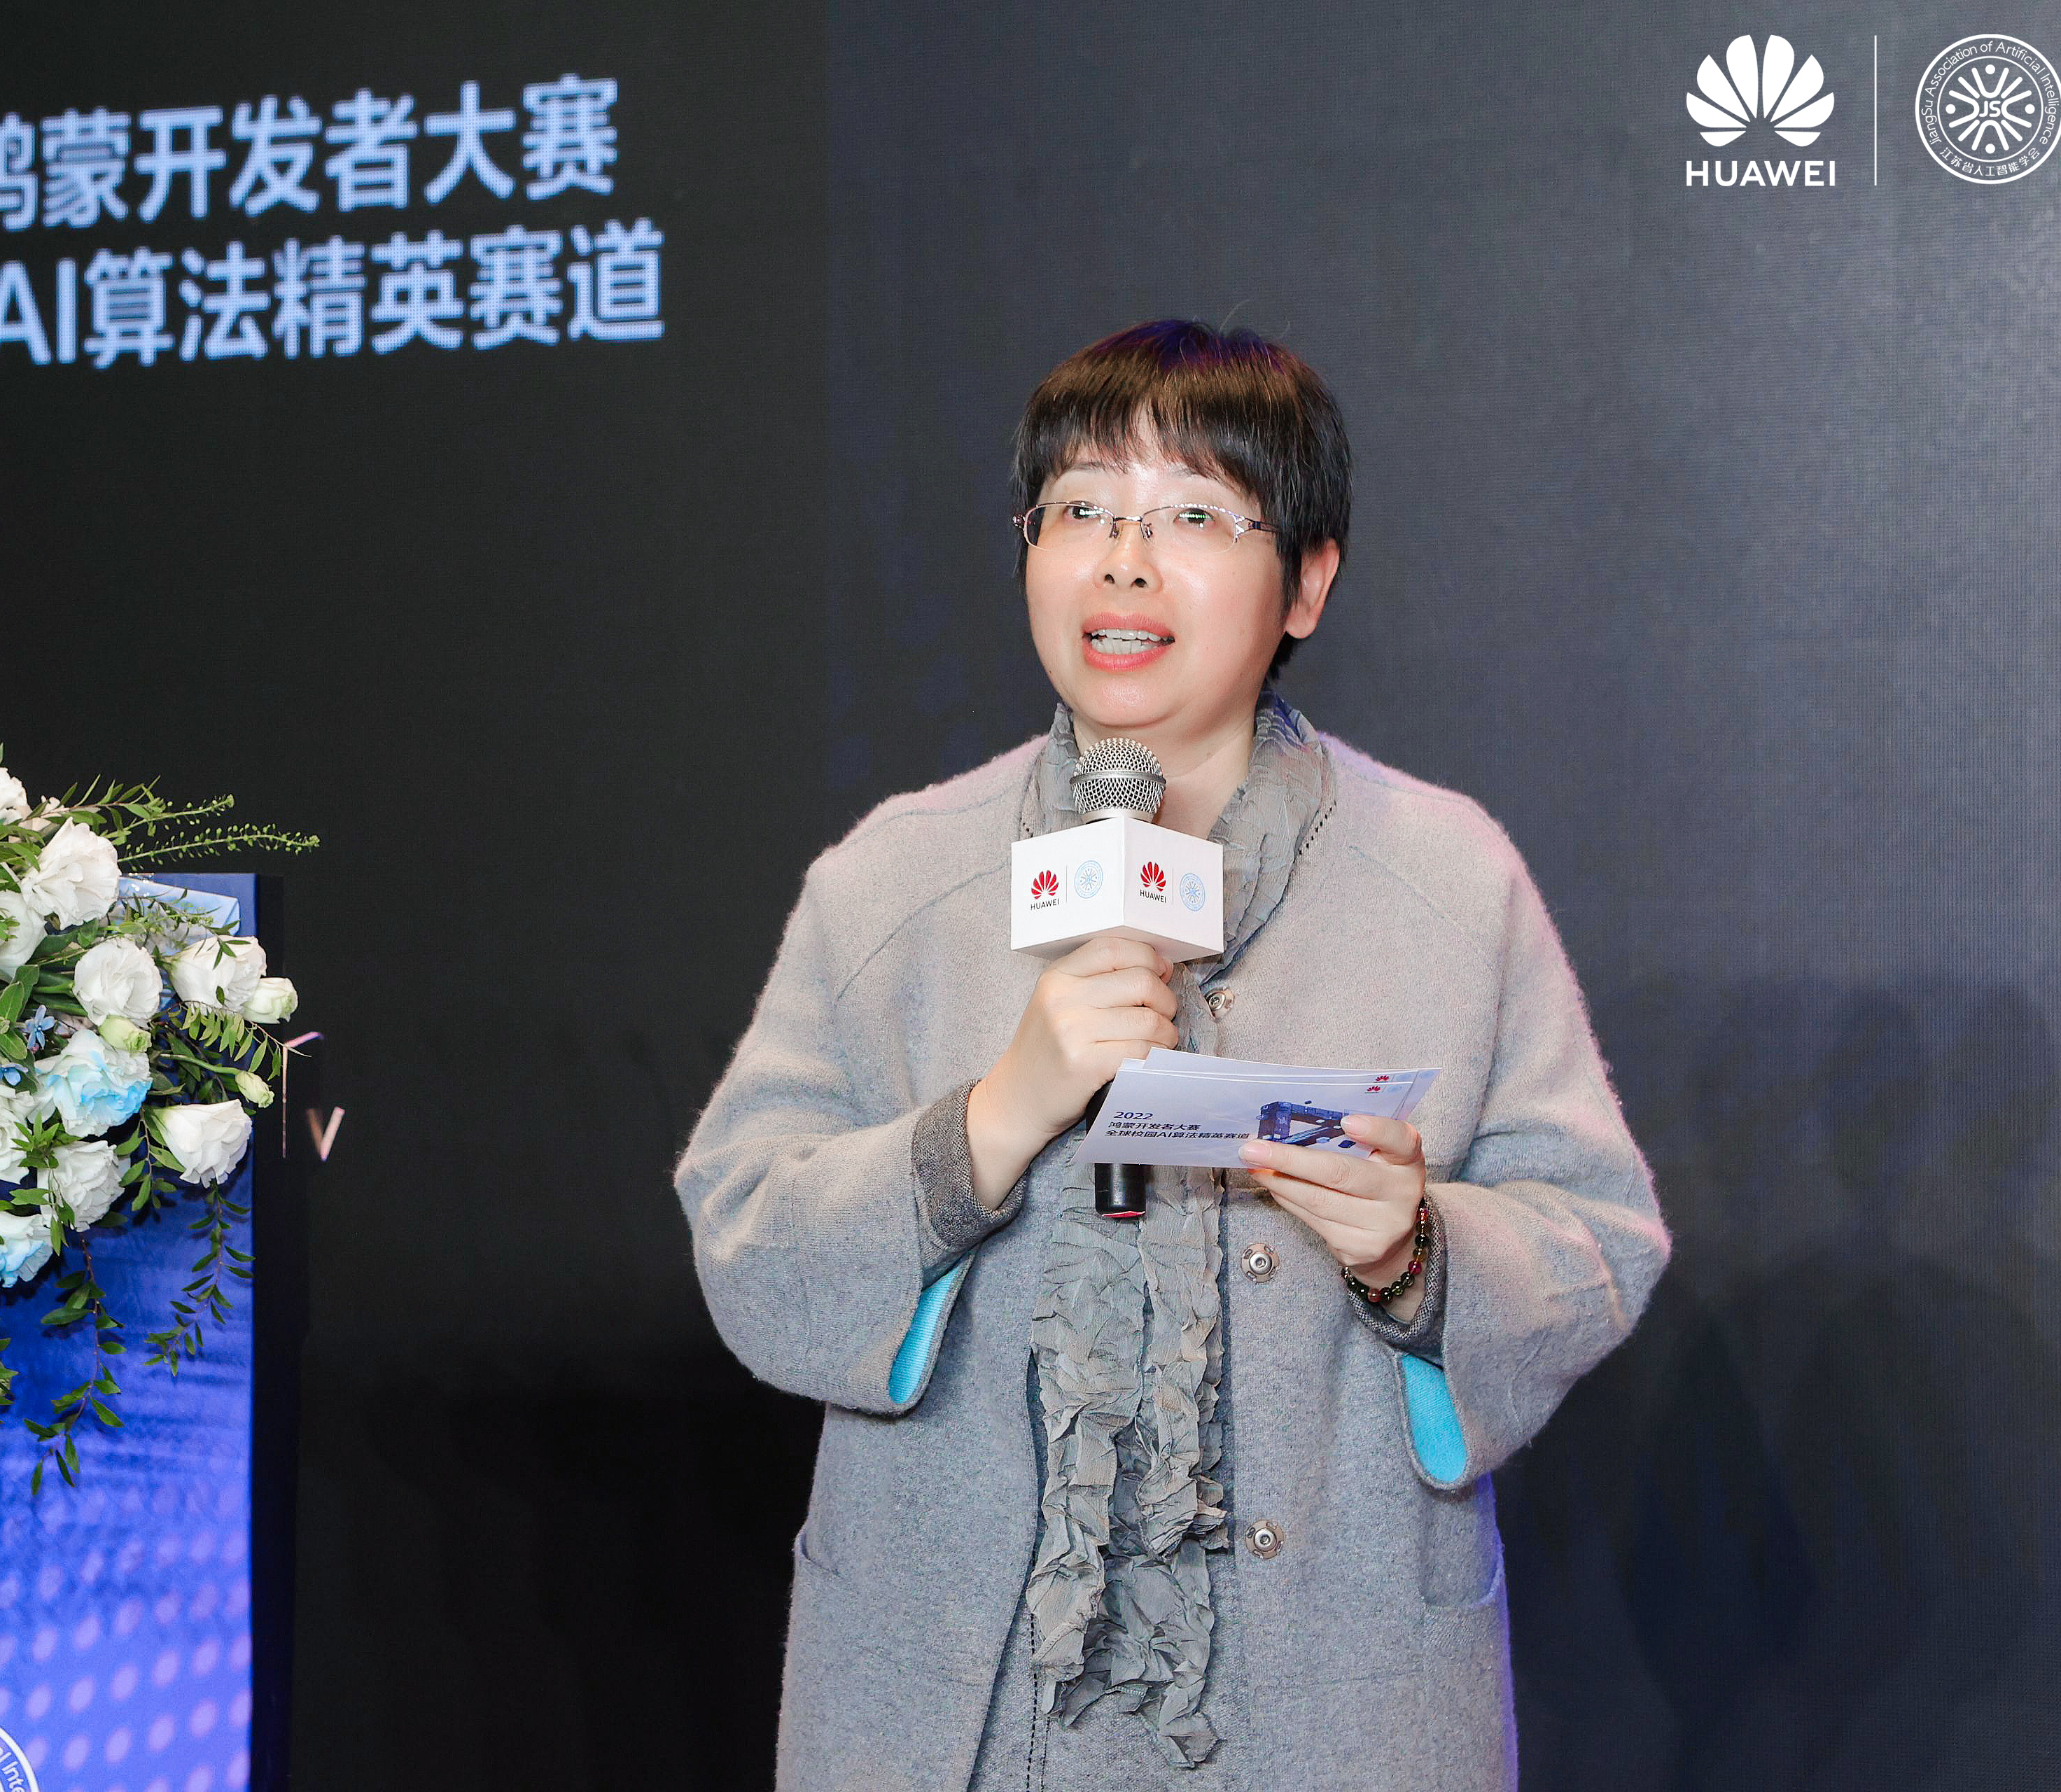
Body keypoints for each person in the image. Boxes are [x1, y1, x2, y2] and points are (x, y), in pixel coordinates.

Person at [676, 320, 1670, 1790]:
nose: (1123, 564)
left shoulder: (1448, 881)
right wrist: (991, 1123)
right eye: (1080, 509)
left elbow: (1598, 1233)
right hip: (961, 1713)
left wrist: (1417, 1251)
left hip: (1331, 1709)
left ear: (1308, 582)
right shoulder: (894, 879)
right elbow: (746, 1234)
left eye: (1194, 516)